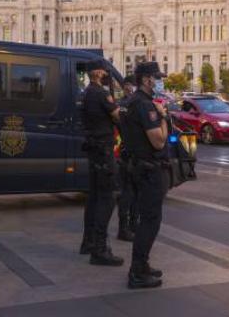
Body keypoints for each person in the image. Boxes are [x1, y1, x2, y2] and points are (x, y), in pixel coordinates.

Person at [123, 62, 169, 289]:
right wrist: (163, 117)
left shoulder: (133, 102)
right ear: (145, 79)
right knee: (150, 221)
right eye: (155, 77)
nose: (158, 81)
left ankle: (142, 265)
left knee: (146, 219)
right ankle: (137, 272)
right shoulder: (145, 105)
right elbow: (159, 141)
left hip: (139, 166)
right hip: (149, 169)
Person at [79, 59, 123, 266]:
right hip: (103, 149)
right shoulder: (100, 93)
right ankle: (100, 248)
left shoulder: (87, 92)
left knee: (94, 196)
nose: (107, 74)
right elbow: (117, 116)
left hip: (93, 147)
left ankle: (88, 242)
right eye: (105, 71)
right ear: (97, 72)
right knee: (108, 196)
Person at [116, 75, 139, 242]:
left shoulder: (123, 104)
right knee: (128, 192)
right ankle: (125, 227)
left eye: (131, 85)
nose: (129, 88)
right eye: (127, 85)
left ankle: (131, 224)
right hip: (128, 152)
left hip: (129, 151)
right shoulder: (127, 104)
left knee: (133, 192)